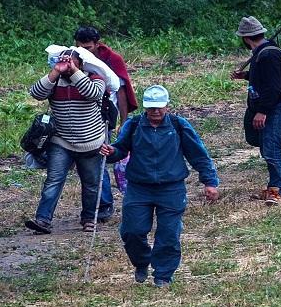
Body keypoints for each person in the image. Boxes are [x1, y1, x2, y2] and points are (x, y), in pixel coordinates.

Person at [104, 85, 219, 287]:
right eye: (151, 108)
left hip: (171, 189)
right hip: (139, 188)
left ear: (167, 106)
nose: (155, 111)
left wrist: (210, 182)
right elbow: (120, 150)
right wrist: (111, 151)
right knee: (132, 231)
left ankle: (163, 275)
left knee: (168, 234)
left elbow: (199, 154)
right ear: (145, 107)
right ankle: (141, 262)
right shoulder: (133, 125)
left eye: (159, 107)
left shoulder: (178, 125)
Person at [22, 49, 109, 235]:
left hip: (91, 142)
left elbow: (93, 94)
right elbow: (36, 93)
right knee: (53, 180)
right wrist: (55, 71)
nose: (67, 66)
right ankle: (43, 220)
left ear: (81, 64)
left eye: (71, 62)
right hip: (62, 141)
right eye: (64, 61)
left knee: (91, 183)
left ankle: (88, 219)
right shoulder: (55, 82)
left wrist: (75, 72)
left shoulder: (95, 78)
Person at [73, 26, 133, 222]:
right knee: (89, 163)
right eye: (80, 46)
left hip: (105, 115)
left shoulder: (112, 59)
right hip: (82, 116)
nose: (84, 50)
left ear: (97, 45)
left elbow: (122, 92)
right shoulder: (74, 57)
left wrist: (124, 123)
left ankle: (104, 204)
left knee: (100, 158)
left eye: (88, 47)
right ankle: (97, 205)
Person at [235, 16, 281, 203]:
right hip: (270, 106)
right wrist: (246, 75)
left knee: (271, 148)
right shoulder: (264, 52)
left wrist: (263, 111)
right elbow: (266, 78)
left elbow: (274, 87)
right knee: (266, 146)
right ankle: (272, 186)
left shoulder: (268, 54)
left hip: (276, 107)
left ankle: (277, 190)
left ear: (246, 38)